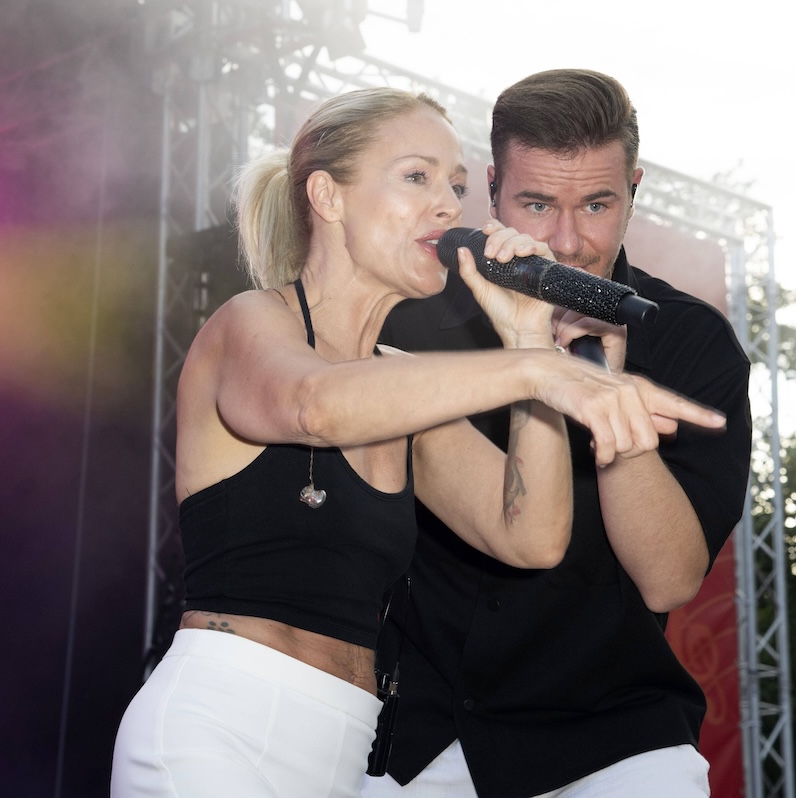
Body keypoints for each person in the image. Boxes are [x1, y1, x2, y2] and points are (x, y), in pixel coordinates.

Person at [109, 87, 726, 797]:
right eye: (417, 177)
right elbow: (315, 406)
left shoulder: (400, 385)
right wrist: (535, 371)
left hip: (346, 754)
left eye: (457, 186)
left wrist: (530, 339)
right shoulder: (251, 323)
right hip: (223, 726)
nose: (447, 206)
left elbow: (530, 537)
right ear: (328, 197)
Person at [362, 70, 753, 798]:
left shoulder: (693, 343)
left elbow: (669, 578)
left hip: (612, 742)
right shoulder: (407, 318)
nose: (568, 242)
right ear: (492, 189)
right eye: (537, 204)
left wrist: (600, 386)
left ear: (633, 191)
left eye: (597, 204)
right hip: (413, 736)